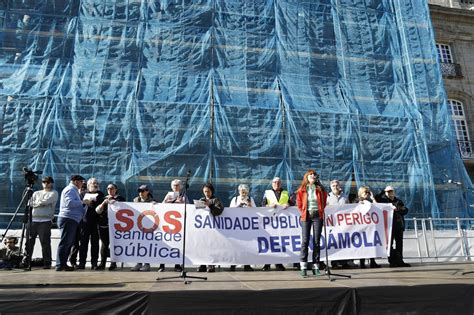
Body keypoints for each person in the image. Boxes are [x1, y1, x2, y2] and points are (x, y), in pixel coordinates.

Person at [295, 170, 327, 277]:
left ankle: (316, 266)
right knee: (305, 240)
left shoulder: (320, 189)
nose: (313, 176)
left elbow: (323, 202)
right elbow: (299, 203)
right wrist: (304, 211)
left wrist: (320, 211)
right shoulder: (302, 190)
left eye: (314, 175)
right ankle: (303, 266)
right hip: (306, 216)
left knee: (317, 241)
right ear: (307, 177)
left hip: (318, 216)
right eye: (311, 175)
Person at [25, 176, 58, 269]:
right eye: (44, 182)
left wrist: (37, 203)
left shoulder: (54, 193)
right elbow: (29, 203)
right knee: (29, 242)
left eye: (48, 182)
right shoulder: (36, 193)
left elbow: (46, 202)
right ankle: (27, 261)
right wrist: (39, 203)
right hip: (32, 220)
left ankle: (47, 262)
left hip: (45, 221)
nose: (46, 184)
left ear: (51, 183)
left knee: (45, 243)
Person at [261, 177, 293, 271]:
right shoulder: (267, 193)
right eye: (274, 182)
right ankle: (267, 264)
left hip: (283, 222)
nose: (276, 184)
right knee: (269, 241)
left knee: (280, 242)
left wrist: (288, 204)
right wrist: (269, 206)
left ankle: (278, 263)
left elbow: (292, 203)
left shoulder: (286, 193)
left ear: (281, 183)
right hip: (270, 221)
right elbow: (262, 205)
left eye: (278, 182)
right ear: (272, 184)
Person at [56, 175, 87, 271]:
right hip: (68, 219)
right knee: (65, 242)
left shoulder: (73, 190)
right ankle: (60, 264)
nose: (82, 184)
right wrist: (83, 201)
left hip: (71, 219)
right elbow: (69, 203)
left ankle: (62, 263)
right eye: (82, 182)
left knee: (68, 243)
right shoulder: (70, 190)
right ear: (76, 181)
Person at [376, 186, 411, 267]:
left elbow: (405, 210)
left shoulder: (398, 201)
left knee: (399, 244)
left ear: (394, 192)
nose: (390, 193)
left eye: (391, 191)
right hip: (389, 227)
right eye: (388, 192)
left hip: (399, 225)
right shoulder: (384, 201)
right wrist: (382, 191)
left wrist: (397, 209)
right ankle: (392, 261)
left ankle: (400, 260)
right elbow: (377, 198)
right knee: (390, 244)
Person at [160, 179, 188, 272]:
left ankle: (177, 265)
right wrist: (168, 202)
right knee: (165, 243)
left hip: (179, 224)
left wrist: (181, 202)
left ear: (181, 186)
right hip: (168, 223)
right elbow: (162, 206)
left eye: (177, 185)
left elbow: (188, 207)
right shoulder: (168, 195)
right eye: (174, 185)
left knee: (178, 244)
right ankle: (162, 265)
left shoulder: (184, 196)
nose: (176, 187)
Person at [327, 180, 356, 269]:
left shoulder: (345, 196)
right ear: (331, 187)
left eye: (336, 185)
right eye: (333, 186)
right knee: (334, 243)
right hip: (333, 224)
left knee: (344, 242)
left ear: (339, 186)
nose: (335, 187)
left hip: (343, 224)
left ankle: (344, 262)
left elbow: (349, 208)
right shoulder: (327, 197)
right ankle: (334, 262)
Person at [95, 183, 125, 271]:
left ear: (116, 189)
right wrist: (103, 203)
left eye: (112, 188)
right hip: (104, 224)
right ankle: (102, 263)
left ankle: (113, 263)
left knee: (114, 244)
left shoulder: (120, 199)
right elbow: (97, 211)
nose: (110, 190)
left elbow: (124, 210)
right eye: (108, 188)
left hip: (115, 225)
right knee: (104, 244)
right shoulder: (102, 199)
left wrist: (116, 203)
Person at [77, 178, 104, 270]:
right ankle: (82, 263)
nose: (95, 184)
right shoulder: (82, 194)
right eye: (93, 183)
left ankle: (94, 263)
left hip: (96, 222)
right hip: (84, 222)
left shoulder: (100, 194)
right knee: (83, 243)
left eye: (96, 183)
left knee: (95, 243)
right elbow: (79, 205)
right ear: (88, 185)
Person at [197, 182, 224, 273]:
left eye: (208, 191)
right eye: (205, 191)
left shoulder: (216, 200)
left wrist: (210, 205)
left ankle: (211, 265)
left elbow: (218, 211)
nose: (206, 193)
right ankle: (202, 264)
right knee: (202, 246)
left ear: (212, 191)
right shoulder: (201, 199)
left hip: (213, 227)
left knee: (211, 246)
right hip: (203, 227)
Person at [228, 184, 255, 272]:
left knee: (247, 246)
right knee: (235, 245)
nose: (243, 193)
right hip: (236, 226)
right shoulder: (235, 199)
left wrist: (249, 205)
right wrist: (239, 205)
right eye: (241, 191)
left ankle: (247, 265)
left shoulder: (250, 199)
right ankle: (233, 265)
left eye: (244, 192)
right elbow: (230, 211)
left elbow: (256, 211)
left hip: (247, 226)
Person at [354, 186, 381, 269]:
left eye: (368, 192)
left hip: (371, 226)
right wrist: (359, 203)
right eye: (365, 192)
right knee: (362, 244)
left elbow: (379, 207)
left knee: (371, 244)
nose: (367, 194)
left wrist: (373, 198)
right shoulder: (357, 200)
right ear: (361, 193)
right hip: (361, 226)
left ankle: (372, 262)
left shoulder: (370, 201)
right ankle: (362, 263)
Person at [131, 185, 155, 272]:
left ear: (147, 191)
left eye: (142, 191)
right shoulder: (135, 200)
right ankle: (139, 263)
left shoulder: (152, 202)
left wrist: (155, 206)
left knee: (146, 245)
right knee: (138, 244)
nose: (140, 193)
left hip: (148, 226)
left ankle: (147, 264)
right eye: (139, 191)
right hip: (137, 226)